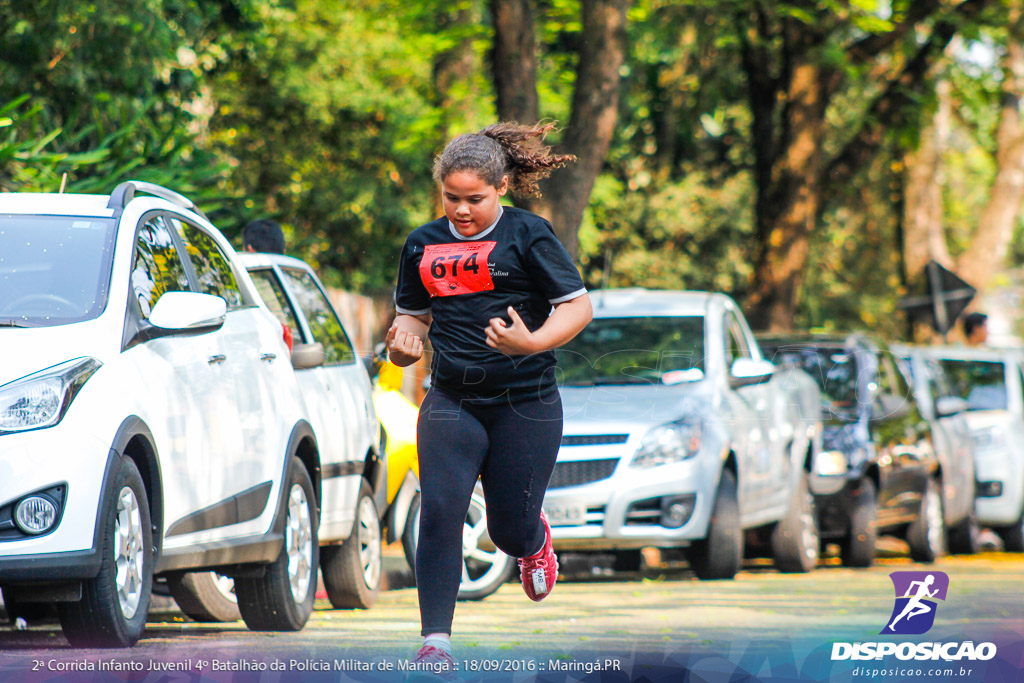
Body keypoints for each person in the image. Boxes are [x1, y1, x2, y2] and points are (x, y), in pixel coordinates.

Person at [387, 121, 593, 677]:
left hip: (526, 402)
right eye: (451, 198)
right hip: (452, 399)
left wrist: (532, 342)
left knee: (506, 528)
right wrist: (404, 343)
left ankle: (533, 539)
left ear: (501, 187)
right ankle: (435, 641)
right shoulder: (422, 244)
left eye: (473, 199)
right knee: (441, 511)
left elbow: (577, 308)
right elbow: (412, 314)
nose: (460, 210)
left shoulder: (530, 235)